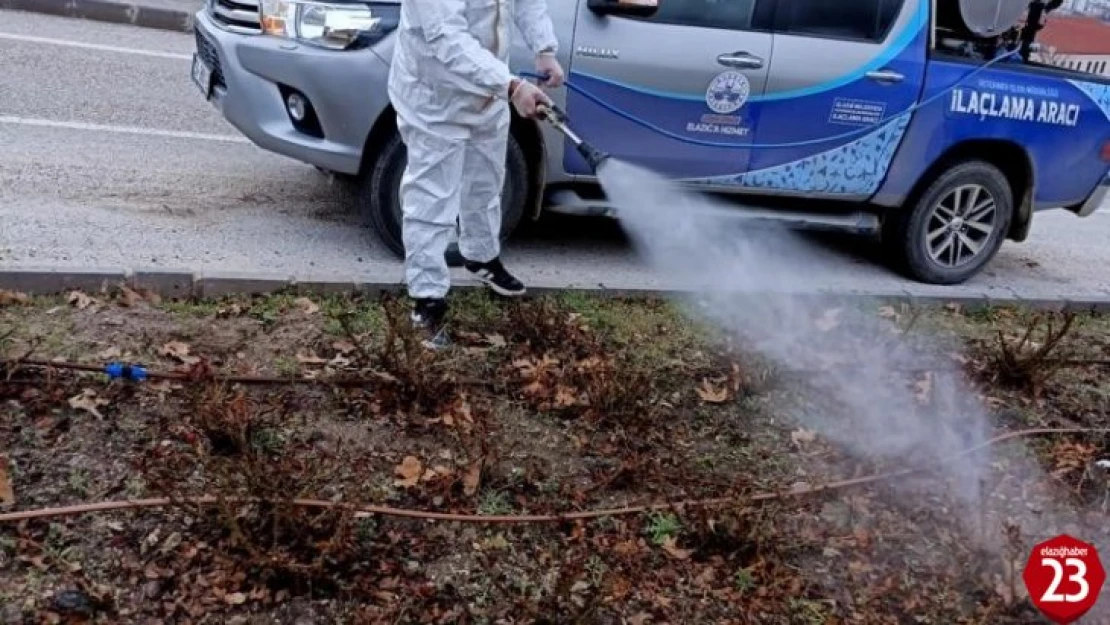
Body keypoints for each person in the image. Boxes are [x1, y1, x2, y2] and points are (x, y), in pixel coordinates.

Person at [387, 0, 564, 348]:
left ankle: (481, 256)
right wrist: (512, 86)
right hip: (434, 96)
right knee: (432, 198)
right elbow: (446, 39)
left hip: (488, 92)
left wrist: (544, 48)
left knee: (486, 182)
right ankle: (426, 300)